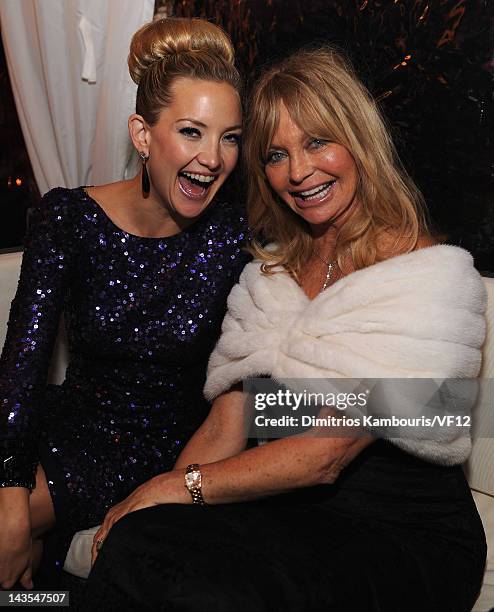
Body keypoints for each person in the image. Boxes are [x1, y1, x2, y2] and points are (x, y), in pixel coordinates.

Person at [83, 47, 486, 611]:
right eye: (275, 154)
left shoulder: (427, 277)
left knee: (214, 592)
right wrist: (154, 504)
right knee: (142, 546)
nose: (298, 172)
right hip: (288, 510)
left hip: (404, 534)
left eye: (318, 141)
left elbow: (324, 457)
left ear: (360, 141)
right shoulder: (270, 278)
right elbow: (229, 423)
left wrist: (173, 488)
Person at [0, 17, 248, 589]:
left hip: (162, 450)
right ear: (142, 134)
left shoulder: (236, 238)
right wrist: (11, 487)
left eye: (229, 136)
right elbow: (23, 365)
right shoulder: (67, 219)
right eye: (192, 131)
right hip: (67, 423)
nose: (213, 157)